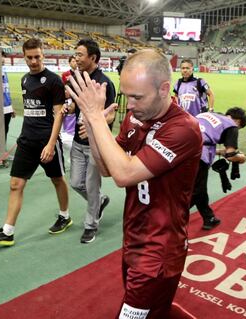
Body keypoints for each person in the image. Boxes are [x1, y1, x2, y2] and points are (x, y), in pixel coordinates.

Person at [67, 49, 202, 318]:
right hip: (134, 238)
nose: (129, 105)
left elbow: (124, 175)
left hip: (159, 250)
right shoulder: (134, 118)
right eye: (127, 95)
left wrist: (96, 118)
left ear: (164, 89)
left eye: (137, 97)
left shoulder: (183, 129)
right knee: (155, 311)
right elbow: (107, 168)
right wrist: (95, 130)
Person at [0, 38, 71, 246]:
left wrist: (50, 144)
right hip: (26, 141)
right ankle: (7, 232)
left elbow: (59, 115)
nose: (33, 61)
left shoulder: (54, 81)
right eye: (29, 57)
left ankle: (64, 216)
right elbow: (31, 112)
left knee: (57, 179)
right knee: (15, 184)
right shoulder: (24, 80)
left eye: (37, 57)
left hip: (47, 141)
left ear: (43, 55)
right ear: (24, 56)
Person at [69, 38, 115, 244]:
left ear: (93, 58)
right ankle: (100, 202)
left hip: (96, 145)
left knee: (91, 186)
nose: (76, 58)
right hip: (78, 143)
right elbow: (79, 106)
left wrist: (94, 126)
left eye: (80, 55)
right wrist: (69, 108)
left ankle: (90, 225)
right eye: (76, 54)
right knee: (76, 183)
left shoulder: (104, 83)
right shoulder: (77, 78)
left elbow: (111, 114)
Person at [191, 108, 246, 230]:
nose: (237, 129)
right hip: (196, 155)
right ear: (238, 121)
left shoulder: (205, 114)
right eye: (240, 127)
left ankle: (209, 218)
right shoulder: (231, 125)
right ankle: (169, 219)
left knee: (198, 189)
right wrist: (242, 158)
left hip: (178, 147)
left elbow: (202, 138)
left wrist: (218, 152)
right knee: (196, 192)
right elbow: (231, 155)